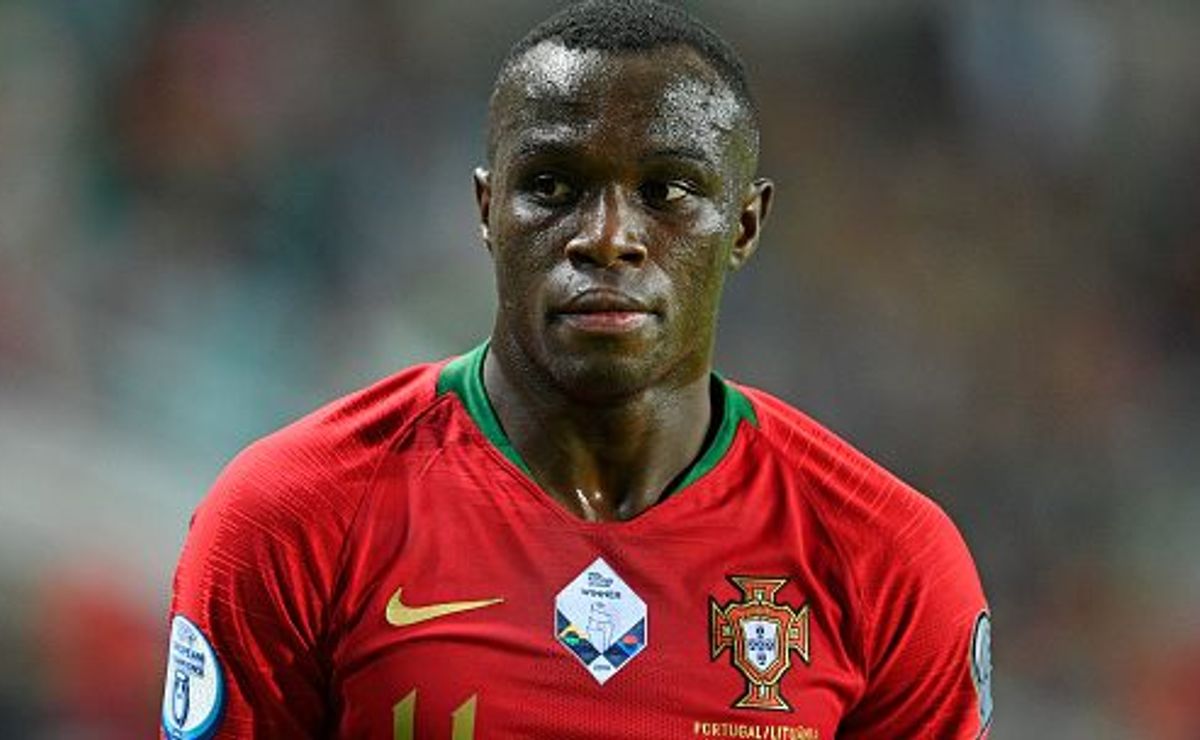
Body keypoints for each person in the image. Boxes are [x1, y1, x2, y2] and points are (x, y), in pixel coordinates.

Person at [160, 1, 992, 738]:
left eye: (668, 191)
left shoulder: (890, 564)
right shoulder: (292, 515)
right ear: (488, 210)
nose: (607, 238)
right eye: (553, 186)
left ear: (744, 225)